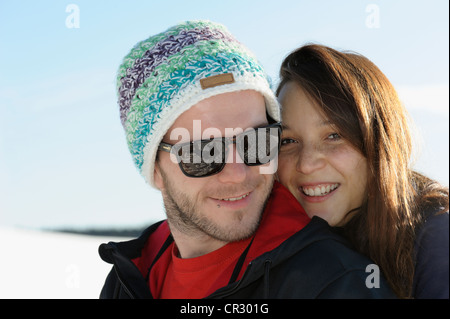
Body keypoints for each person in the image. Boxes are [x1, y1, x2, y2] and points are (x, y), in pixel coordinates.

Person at [98, 21, 395, 299]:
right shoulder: (131, 275)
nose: (238, 174)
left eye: (256, 143)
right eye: (204, 153)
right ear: (155, 169)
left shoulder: (334, 283)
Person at [276, 44, 449, 299]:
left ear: (379, 143)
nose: (306, 164)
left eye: (334, 136)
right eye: (288, 141)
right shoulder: (273, 250)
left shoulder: (436, 239)